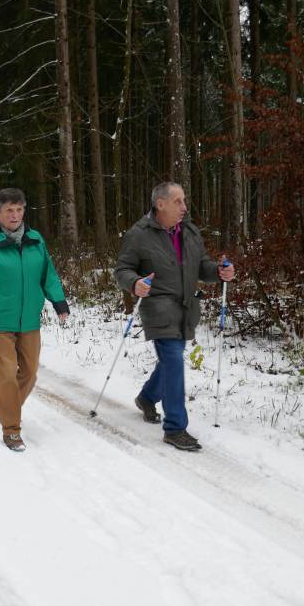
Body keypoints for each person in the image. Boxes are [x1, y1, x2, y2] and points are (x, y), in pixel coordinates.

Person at [113, 182, 235, 451]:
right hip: (157, 306)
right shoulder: (139, 235)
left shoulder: (189, 231)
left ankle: (147, 397)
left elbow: (201, 265)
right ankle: (175, 428)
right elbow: (122, 269)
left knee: (171, 360)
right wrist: (134, 283)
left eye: (184, 200)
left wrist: (219, 272)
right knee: (173, 359)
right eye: (178, 201)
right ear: (160, 204)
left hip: (186, 307)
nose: (184, 207)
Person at [0, 188, 69, 452]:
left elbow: (48, 273)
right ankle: (11, 430)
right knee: (7, 375)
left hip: (29, 320)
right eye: (9, 210)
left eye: (19, 209)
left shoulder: (35, 239)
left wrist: (58, 301)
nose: (15, 215)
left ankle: (8, 405)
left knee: (30, 373)